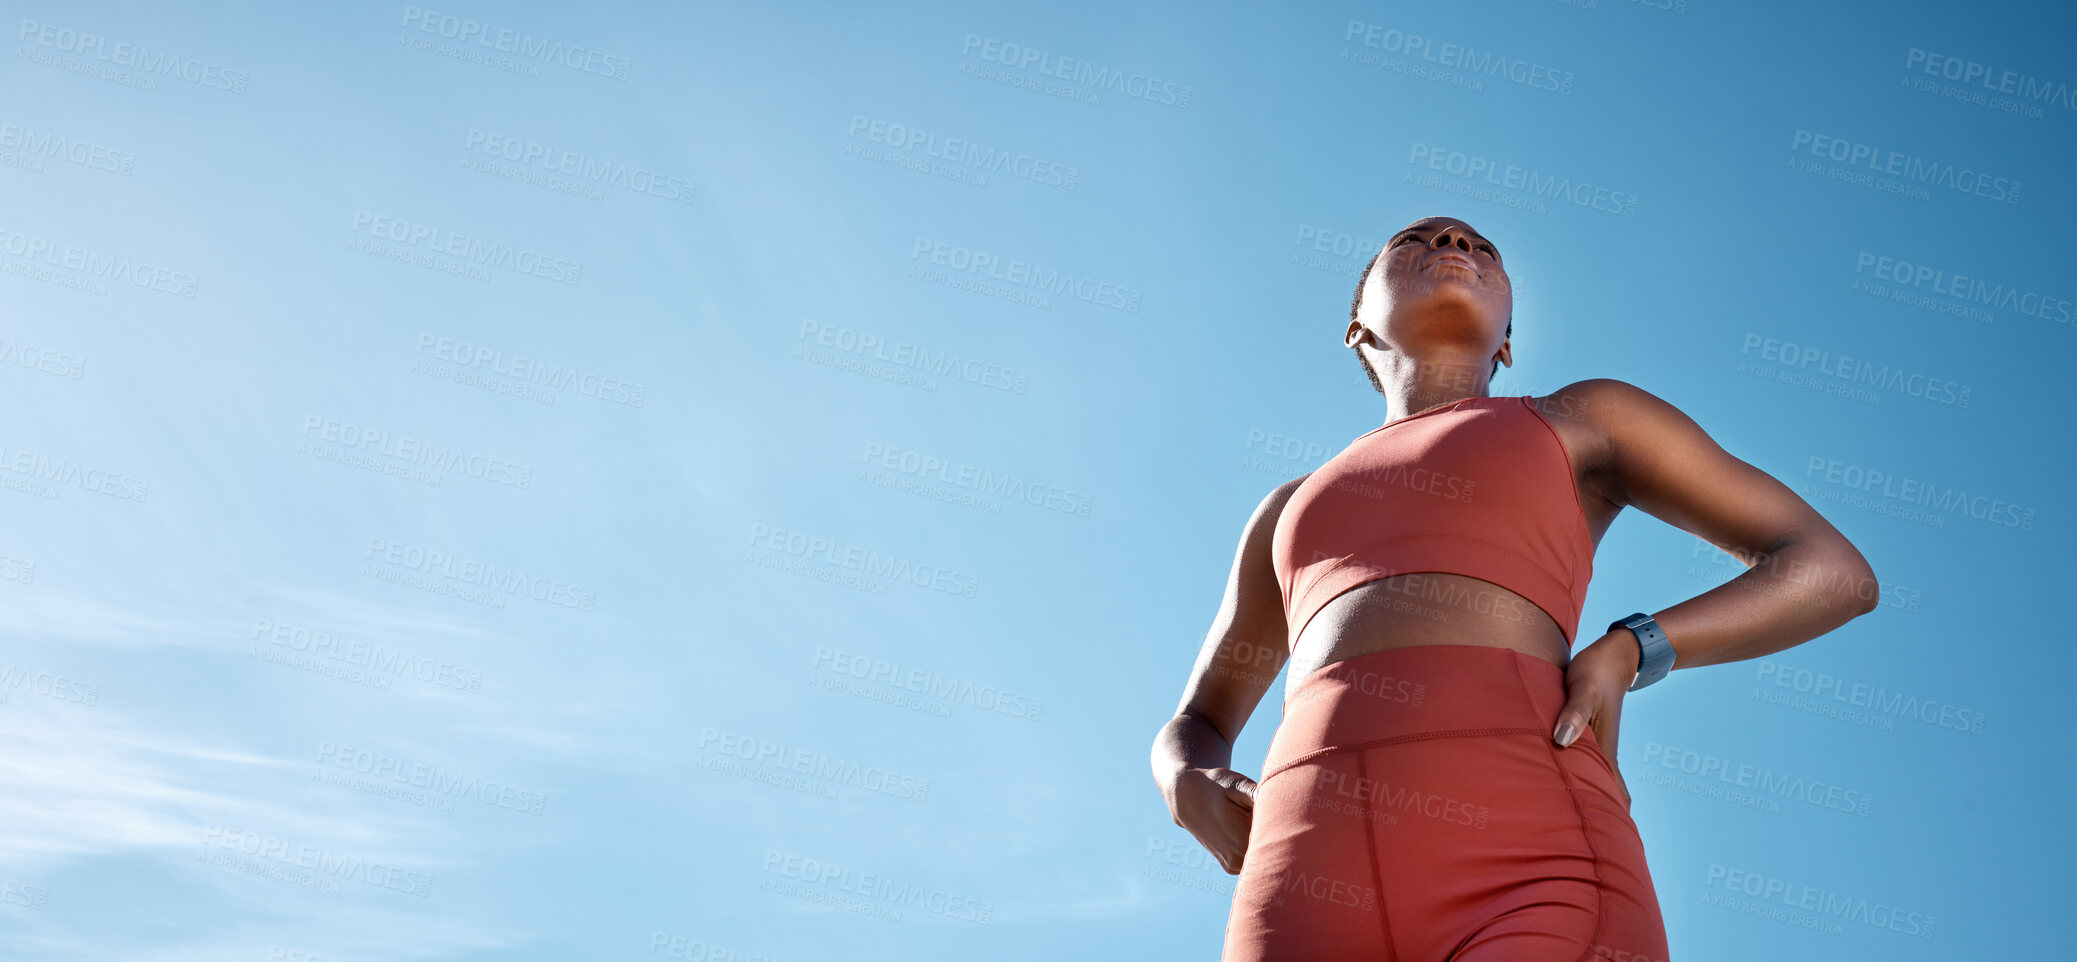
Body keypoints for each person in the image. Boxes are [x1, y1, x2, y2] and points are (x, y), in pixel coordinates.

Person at [1149, 216, 1879, 961]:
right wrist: (1184, 776)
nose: (1454, 245)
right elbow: (1197, 719)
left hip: (1532, 851)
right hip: (1297, 881)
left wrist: (1633, 648)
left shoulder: (1580, 420)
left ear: (1505, 341)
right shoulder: (1285, 509)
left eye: (1479, 247)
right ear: (1355, 328)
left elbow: (1832, 572)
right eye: (1415, 239)